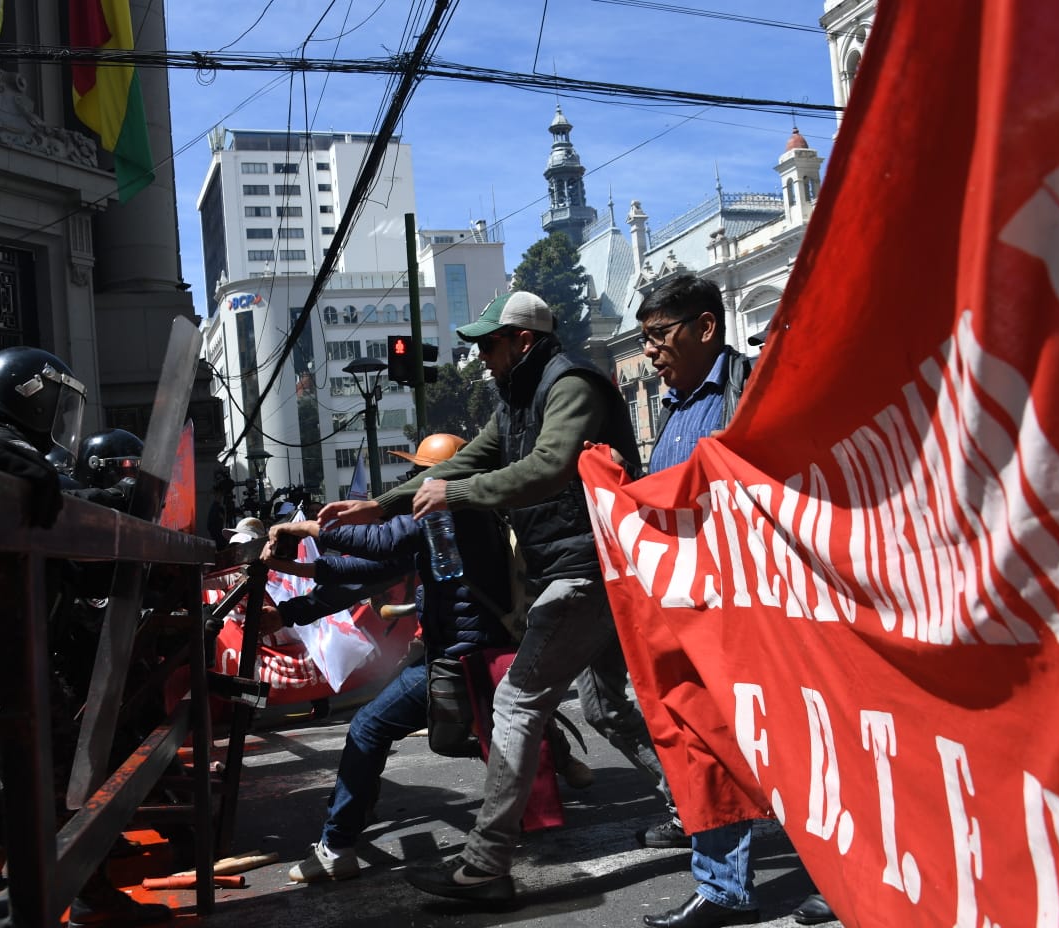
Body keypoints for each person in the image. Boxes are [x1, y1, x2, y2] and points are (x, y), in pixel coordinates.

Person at [317, 291, 660, 904]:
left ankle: (485, 862)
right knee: (606, 709)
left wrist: (455, 496)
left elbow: (551, 465)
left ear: (522, 340)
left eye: (488, 344)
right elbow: (463, 463)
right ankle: (702, 804)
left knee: (518, 701)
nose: (481, 358)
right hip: (575, 569)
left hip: (589, 566)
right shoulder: (515, 401)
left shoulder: (570, 386)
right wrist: (381, 504)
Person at [264, 434, 593, 884]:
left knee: (371, 728)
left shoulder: (450, 512)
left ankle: (337, 845)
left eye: (419, 474)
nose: (412, 483)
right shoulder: (459, 517)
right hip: (470, 650)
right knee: (476, 733)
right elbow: (375, 569)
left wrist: (307, 529)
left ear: (442, 477)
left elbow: (382, 542)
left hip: (461, 655)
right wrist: (297, 574)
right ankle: (546, 762)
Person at [0, 347, 168, 928]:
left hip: (18, 643)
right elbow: (23, 490)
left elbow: (58, 525)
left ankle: (88, 892)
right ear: (32, 393)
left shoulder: (4, 444)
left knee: (63, 775)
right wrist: (115, 501)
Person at [626, 275, 835, 928]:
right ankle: (722, 888)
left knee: (800, 741)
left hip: (766, 607)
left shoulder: (751, 392)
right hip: (697, 610)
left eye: (658, 335)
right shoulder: (672, 410)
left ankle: (839, 876)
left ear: (706, 327)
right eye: (645, 338)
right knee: (708, 743)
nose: (650, 351)